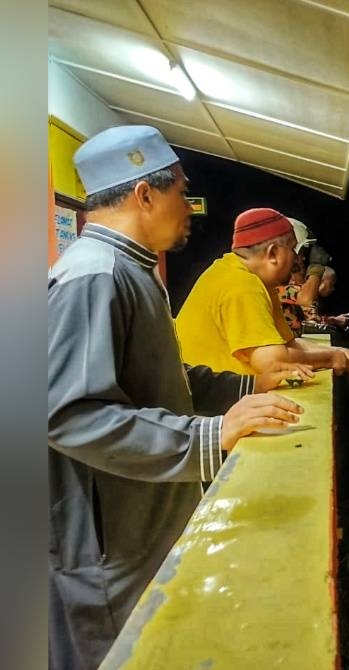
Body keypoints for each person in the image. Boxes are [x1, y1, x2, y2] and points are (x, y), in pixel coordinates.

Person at [48, 125, 309, 669]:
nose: (188, 208)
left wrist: (246, 390)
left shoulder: (133, 269)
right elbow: (71, 414)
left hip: (138, 526)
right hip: (105, 551)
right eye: (180, 192)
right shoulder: (95, 274)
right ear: (145, 195)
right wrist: (211, 434)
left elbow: (159, 376)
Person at [174, 207, 349, 390]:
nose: (297, 260)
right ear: (273, 253)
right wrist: (331, 358)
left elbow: (288, 345)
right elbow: (273, 361)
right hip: (208, 410)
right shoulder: (241, 284)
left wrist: (342, 352)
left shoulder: (255, 280)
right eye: (293, 250)